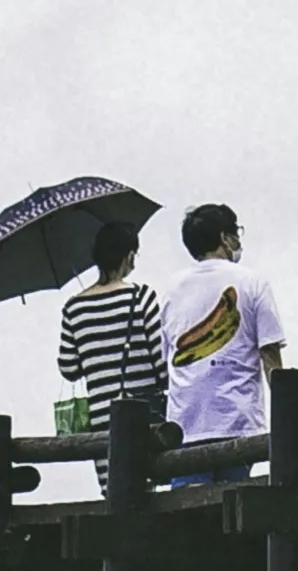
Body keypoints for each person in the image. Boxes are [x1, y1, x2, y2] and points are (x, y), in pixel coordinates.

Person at [55, 214, 169, 500]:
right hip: (145, 412)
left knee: (115, 495)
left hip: (101, 416)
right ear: (129, 256)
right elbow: (160, 363)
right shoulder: (141, 297)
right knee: (151, 491)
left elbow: (68, 367)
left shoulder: (74, 307)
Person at [156, 203, 286, 450]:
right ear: (224, 238)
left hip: (183, 426)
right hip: (237, 421)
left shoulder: (171, 291)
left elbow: (169, 359)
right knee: (237, 489)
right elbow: (270, 356)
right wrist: (287, 416)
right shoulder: (252, 282)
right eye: (236, 234)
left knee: (190, 489)